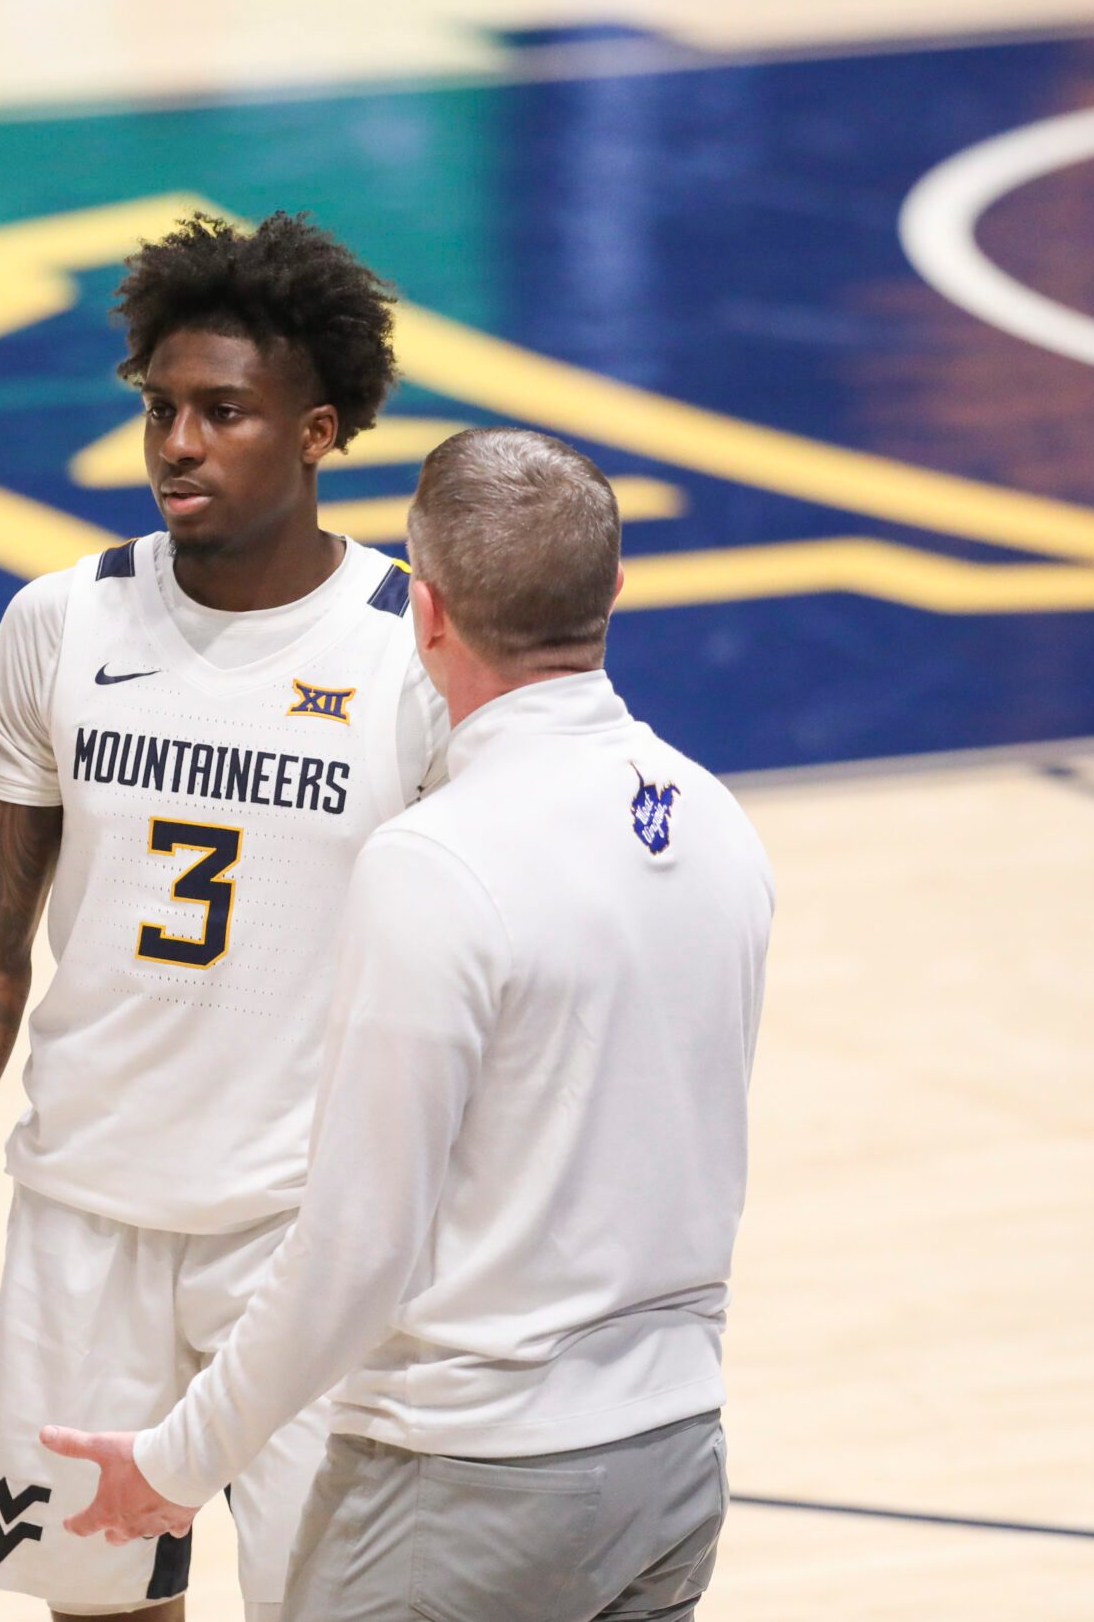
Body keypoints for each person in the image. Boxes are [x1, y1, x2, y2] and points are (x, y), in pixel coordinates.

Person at [0, 212, 449, 1621]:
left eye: (223, 411)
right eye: (161, 408)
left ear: (319, 428)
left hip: (307, 1235)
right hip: (82, 1220)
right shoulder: (60, 624)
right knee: (94, 1605)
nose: (176, 441)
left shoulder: (411, 654)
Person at [43, 427, 774, 1622]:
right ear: (615, 591)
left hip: (467, 1477)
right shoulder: (712, 820)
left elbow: (354, 1247)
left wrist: (178, 1460)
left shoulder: (435, 863)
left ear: (423, 614)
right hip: (673, 1457)